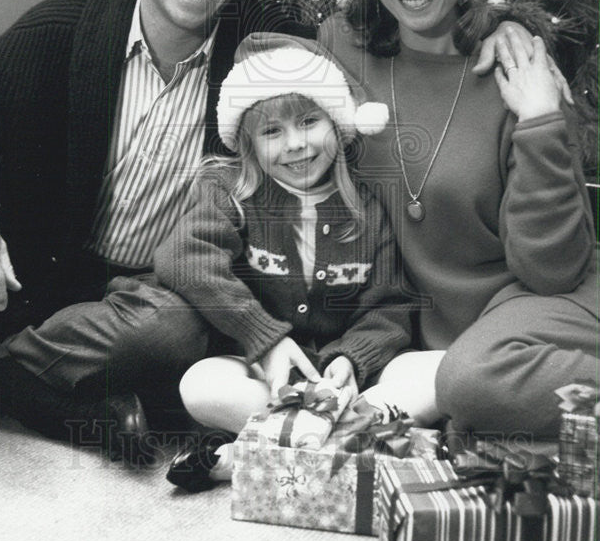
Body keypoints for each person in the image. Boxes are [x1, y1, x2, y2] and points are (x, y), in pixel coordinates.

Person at [0, 0, 311, 464]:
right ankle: (53, 399)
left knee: (171, 332)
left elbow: (370, 49)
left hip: (162, 294)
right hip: (35, 281)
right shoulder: (56, 31)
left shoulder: (266, 53)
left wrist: (497, 26)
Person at [318, 0, 600, 437]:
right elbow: (254, 79)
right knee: (451, 389)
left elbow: (553, 269)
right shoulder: (340, 47)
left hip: (550, 310)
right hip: (440, 335)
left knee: (470, 384)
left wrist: (541, 118)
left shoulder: (517, 66)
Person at [133, 33, 414, 491]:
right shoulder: (228, 191)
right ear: (248, 144)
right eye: (271, 131)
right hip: (264, 375)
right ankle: (347, 440)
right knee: (200, 385)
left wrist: (353, 358)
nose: (295, 145)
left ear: (338, 125)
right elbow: (183, 258)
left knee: (431, 374)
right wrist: (262, 337)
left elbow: (391, 307)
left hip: (346, 379)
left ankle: (247, 455)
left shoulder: (366, 205)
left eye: (308, 122)